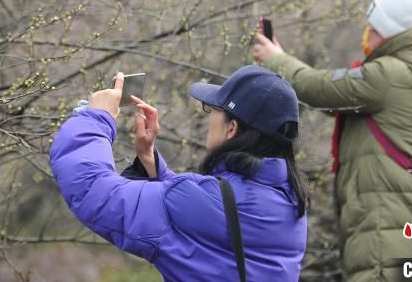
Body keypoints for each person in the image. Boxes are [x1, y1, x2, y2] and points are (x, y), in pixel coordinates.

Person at [252, 0, 412, 282]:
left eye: (375, 27)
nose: (367, 35)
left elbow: (321, 89)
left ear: (395, 31)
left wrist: (276, 60)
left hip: (388, 240)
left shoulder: (389, 75)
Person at [50, 65, 309, 281]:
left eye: (213, 109)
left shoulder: (202, 199)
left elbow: (93, 191)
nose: (209, 117)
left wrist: (96, 118)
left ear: (232, 129)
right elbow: (209, 220)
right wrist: (151, 162)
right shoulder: (290, 202)